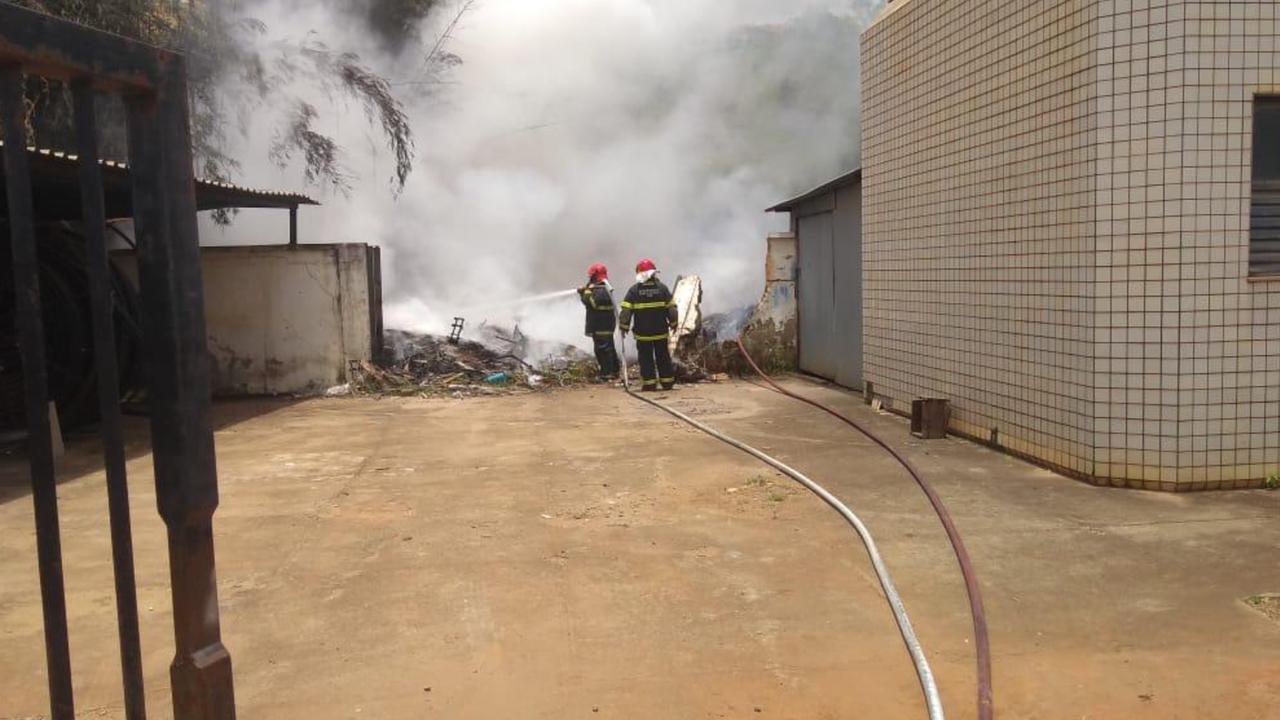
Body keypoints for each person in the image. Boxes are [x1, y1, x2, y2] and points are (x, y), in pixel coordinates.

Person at [618, 258, 677, 391]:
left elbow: (626, 310)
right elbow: (672, 309)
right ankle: (667, 382)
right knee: (663, 356)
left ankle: (649, 384)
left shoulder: (634, 290)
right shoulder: (662, 288)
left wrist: (624, 327)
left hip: (643, 333)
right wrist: (673, 323)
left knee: (646, 359)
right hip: (660, 331)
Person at [578, 263, 620, 379]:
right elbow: (589, 301)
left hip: (602, 325)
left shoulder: (601, 289)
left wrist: (586, 292)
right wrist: (584, 292)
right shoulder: (601, 288)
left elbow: (592, 303)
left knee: (603, 350)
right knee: (606, 348)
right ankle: (613, 371)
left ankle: (608, 373)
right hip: (602, 325)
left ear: (595, 276)